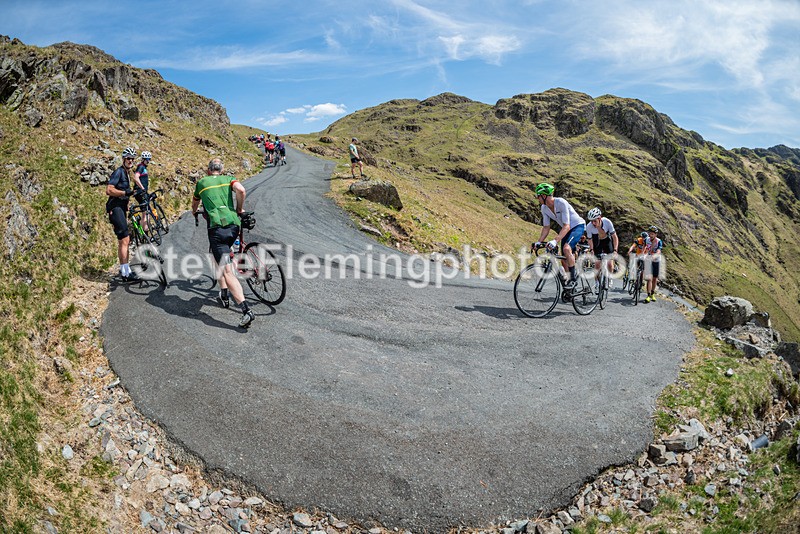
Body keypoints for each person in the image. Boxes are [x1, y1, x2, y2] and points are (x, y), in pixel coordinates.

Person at [191, 158, 255, 328]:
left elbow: (195, 202)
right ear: (222, 169)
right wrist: (239, 209)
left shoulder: (202, 183)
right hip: (234, 225)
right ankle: (224, 292)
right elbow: (241, 190)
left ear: (208, 169)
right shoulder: (228, 179)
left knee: (226, 270)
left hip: (217, 229)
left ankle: (246, 310)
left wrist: (194, 211)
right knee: (223, 254)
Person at [532, 183, 586, 289]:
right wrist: (539, 242)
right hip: (567, 229)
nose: (537, 198)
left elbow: (567, 226)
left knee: (566, 249)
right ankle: (570, 285)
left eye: (538, 196)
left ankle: (573, 281)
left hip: (577, 226)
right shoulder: (544, 208)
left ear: (544, 195)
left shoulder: (561, 202)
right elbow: (546, 227)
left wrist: (555, 240)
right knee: (563, 259)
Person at [106, 147, 138, 282]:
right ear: (124, 159)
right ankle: (125, 273)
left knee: (124, 240)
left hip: (121, 208)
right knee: (125, 239)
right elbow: (109, 190)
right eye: (128, 158)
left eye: (132, 159)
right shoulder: (118, 172)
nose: (130, 161)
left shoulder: (127, 173)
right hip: (115, 208)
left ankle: (125, 269)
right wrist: (125, 193)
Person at [585, 207, 618, 287]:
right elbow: (590, 239)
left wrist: (615, 250)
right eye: (591, 221)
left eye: (595, 221)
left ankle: (609, 278)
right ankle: (597, 283)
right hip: (597, 242)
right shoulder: (589, 226)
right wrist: (592, 249)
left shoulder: (607, 222)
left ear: (599, 218)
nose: (593, 223)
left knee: (610, 263)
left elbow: (614, 237)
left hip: (607, 241)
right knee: (597, 265)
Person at [644, 225, 663, 303]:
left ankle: (652, 294)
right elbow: (643, 248)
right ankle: (648, 295)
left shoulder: (659, 241)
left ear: (655, 234)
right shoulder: (646, 240)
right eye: (650, 233)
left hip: (656, 260)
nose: (651, 235)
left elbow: (659, 251)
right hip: (648, 260)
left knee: (655, 279)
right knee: (649, 278)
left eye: (652, 234)